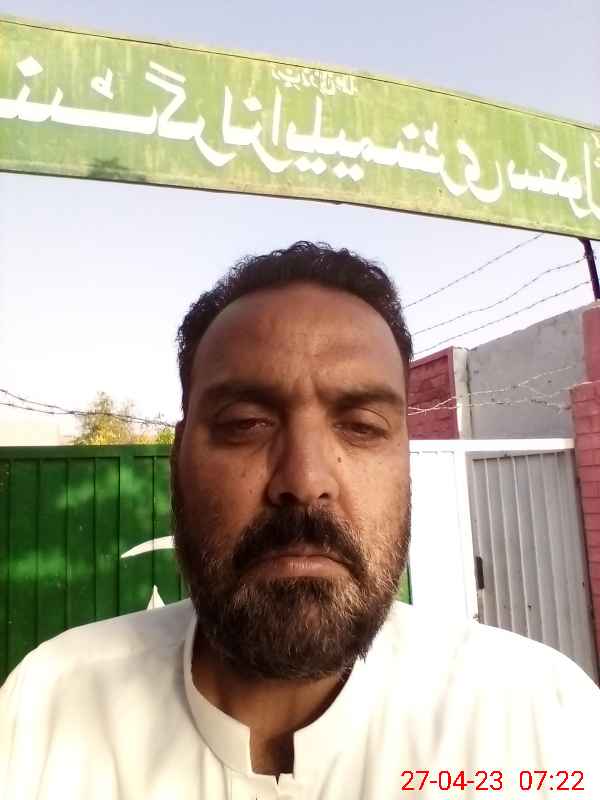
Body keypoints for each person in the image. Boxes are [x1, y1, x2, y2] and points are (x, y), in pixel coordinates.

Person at [1, 241, 599, 799]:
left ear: (405, 462)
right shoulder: (44, 713)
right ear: (178, 460)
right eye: (245, 424)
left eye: (361, 426)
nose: (306, 480)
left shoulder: (542, 722)